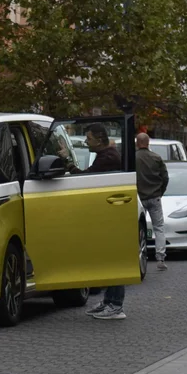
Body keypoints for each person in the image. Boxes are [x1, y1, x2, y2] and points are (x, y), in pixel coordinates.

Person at [61, 124, 127, 320]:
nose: (86, 142)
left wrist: (67, 162)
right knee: (107, 258)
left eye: (88, 139)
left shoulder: (108, 158)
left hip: (110, 215)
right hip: (106, 213)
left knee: (112, 259)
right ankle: (109, 301)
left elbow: (86, 178)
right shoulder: (106, 155)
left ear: (99, 139)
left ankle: (115, 305)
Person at [135, 133, 170, 272]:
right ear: (148, 143)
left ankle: (137, 255)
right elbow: (165, 177)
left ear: (137, 143)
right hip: (155, 196)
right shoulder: (156, 158)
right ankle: (160, 257)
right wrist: (160, 192)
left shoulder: (133, 158)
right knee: (159, 228)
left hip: (139, 198)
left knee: (137, 228)